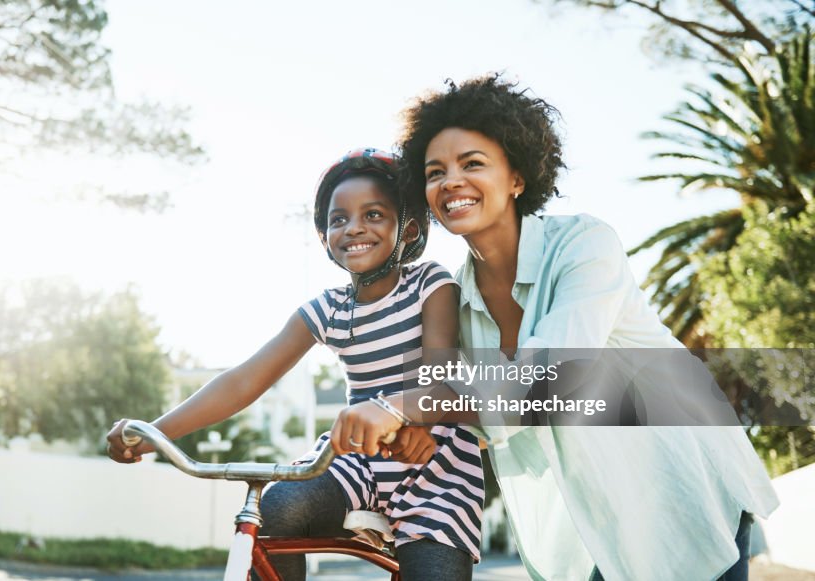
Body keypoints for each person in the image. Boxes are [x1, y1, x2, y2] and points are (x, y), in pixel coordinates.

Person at [330, 76, 779, 580]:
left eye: (472, 163)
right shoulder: (455, 298)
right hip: (590, 521)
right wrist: (420, 429)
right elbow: (475, 408)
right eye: (435, 172)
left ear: (517, 178)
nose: (450, 181)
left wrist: (399, 407)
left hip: (680, 487)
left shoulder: (585, 245)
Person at [107, 148, 484, 580]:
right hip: (359, 462)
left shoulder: (429, 284)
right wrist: (154, 434)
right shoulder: (329, 309)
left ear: (408, 228)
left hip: (436, 468)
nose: (354, 227)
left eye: (374, 214)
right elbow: (244, 380)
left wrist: (415, 421)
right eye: (338, 219)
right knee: (278, 507)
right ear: (325, 237)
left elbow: (444, 376)